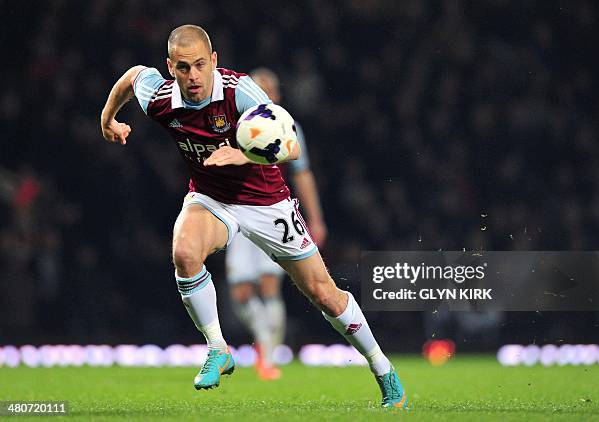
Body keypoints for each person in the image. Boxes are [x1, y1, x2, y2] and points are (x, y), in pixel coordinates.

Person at [100, 24, 408, 409]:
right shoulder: (161, 97)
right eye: (183, 68)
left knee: (323, 294)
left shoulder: (239, 91)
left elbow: (292, 146)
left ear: (213, 61)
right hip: (212, 198)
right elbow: (132, 78)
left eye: (200, 65)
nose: (193, 76)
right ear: (170, 67)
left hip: (267, 202)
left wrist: (242, 154)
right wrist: (108, 118)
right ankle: (218, 348)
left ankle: (383, 369)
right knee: (184, 251)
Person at [225, 67, 327, 380]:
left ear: (278, 96)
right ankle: (265, 349)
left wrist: (316, 219)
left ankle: (267, 357)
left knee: (269, 286)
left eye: (270, 90)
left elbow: (302, 173)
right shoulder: (234, 123)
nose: (264, 95)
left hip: (273, 212)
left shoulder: (287, 127)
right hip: (237, 212)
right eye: (259, 89)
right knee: (241, 291)